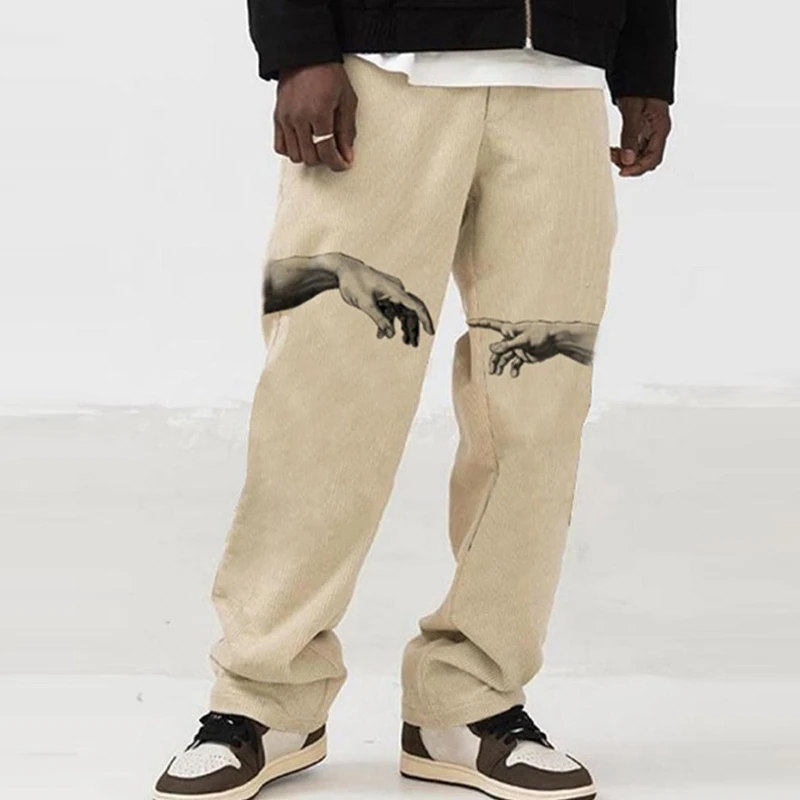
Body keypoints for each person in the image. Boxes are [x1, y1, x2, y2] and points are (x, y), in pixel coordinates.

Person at [153, 2, 677, 799]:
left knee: (538, 406)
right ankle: (263, 695)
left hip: (562, 90)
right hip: (381, 80)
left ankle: (469, 701)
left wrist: (645, 67)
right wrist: (299, 50)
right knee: (325, 394)